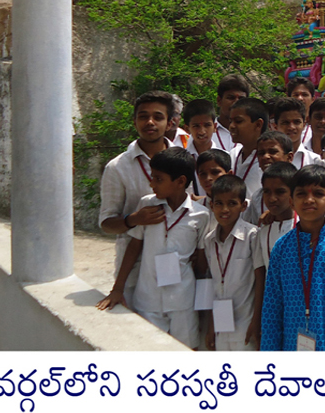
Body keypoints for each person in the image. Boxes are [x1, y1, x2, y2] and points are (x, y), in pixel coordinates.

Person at [96, 147, 209, 349]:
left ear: (180, 181)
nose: (151, 184)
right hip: (148, 299)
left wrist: (204, 304)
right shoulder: (147, 206)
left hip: (183, 300)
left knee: (186, 350)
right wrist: (117, 289)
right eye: (152, 177)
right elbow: (134, 247)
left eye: (158, 179)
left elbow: (201, 261)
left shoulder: (201, 215)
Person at [261, 165, 325, 351]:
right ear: (292, 202)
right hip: (291, 345)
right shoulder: (282, 247)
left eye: (318, 194)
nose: (309, 200)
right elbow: (272, 306)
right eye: (301, 194)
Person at [98, 91, 178, 308]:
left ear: (170, 123)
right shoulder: (117, 168)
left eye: (158, 117)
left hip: (177, 262)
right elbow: (106, 223)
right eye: (143, 116)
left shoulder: (184, 161)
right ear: (134, 122)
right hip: (134, 269)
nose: (150, 122)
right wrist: (133, 219)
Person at [204, 175, 262, 351]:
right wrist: (211, 326)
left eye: (232, 203)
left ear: (243, 206)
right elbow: (214, 284)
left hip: (246, 322)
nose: (225, 209)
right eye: (219, 203)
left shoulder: (253, 236)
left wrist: (257, 321)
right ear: (211, 205)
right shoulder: (209, 240)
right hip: (221, 324)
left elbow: (260, 280)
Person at [256, 162, 298, 270]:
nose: (272, 198)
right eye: (267, 191)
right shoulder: (263, 230)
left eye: (280, 192)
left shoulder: (305, 226)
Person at [228, 98, 268, 202]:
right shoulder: (233, 154)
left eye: (238, 121)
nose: (231, 126)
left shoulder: (268, 160)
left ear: (258, 124)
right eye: (230, 121)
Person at [183, 99, 222, 196]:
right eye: (196, 126)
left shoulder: (225, 157)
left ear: (215, 127)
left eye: (207, 125)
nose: (202, 131)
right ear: (187, 129)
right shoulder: (182, 160)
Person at [214, 74, 250, 152]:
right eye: (231, 98)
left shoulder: (252, 134)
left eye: (241, 99)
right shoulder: (206, 133)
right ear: (219, 101)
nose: (236, 103)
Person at [286, 77, 316, 148]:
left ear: (313, 99)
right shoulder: (283, 126)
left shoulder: (316, 127)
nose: (300, 98)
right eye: (296, 95)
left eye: (304, 95)